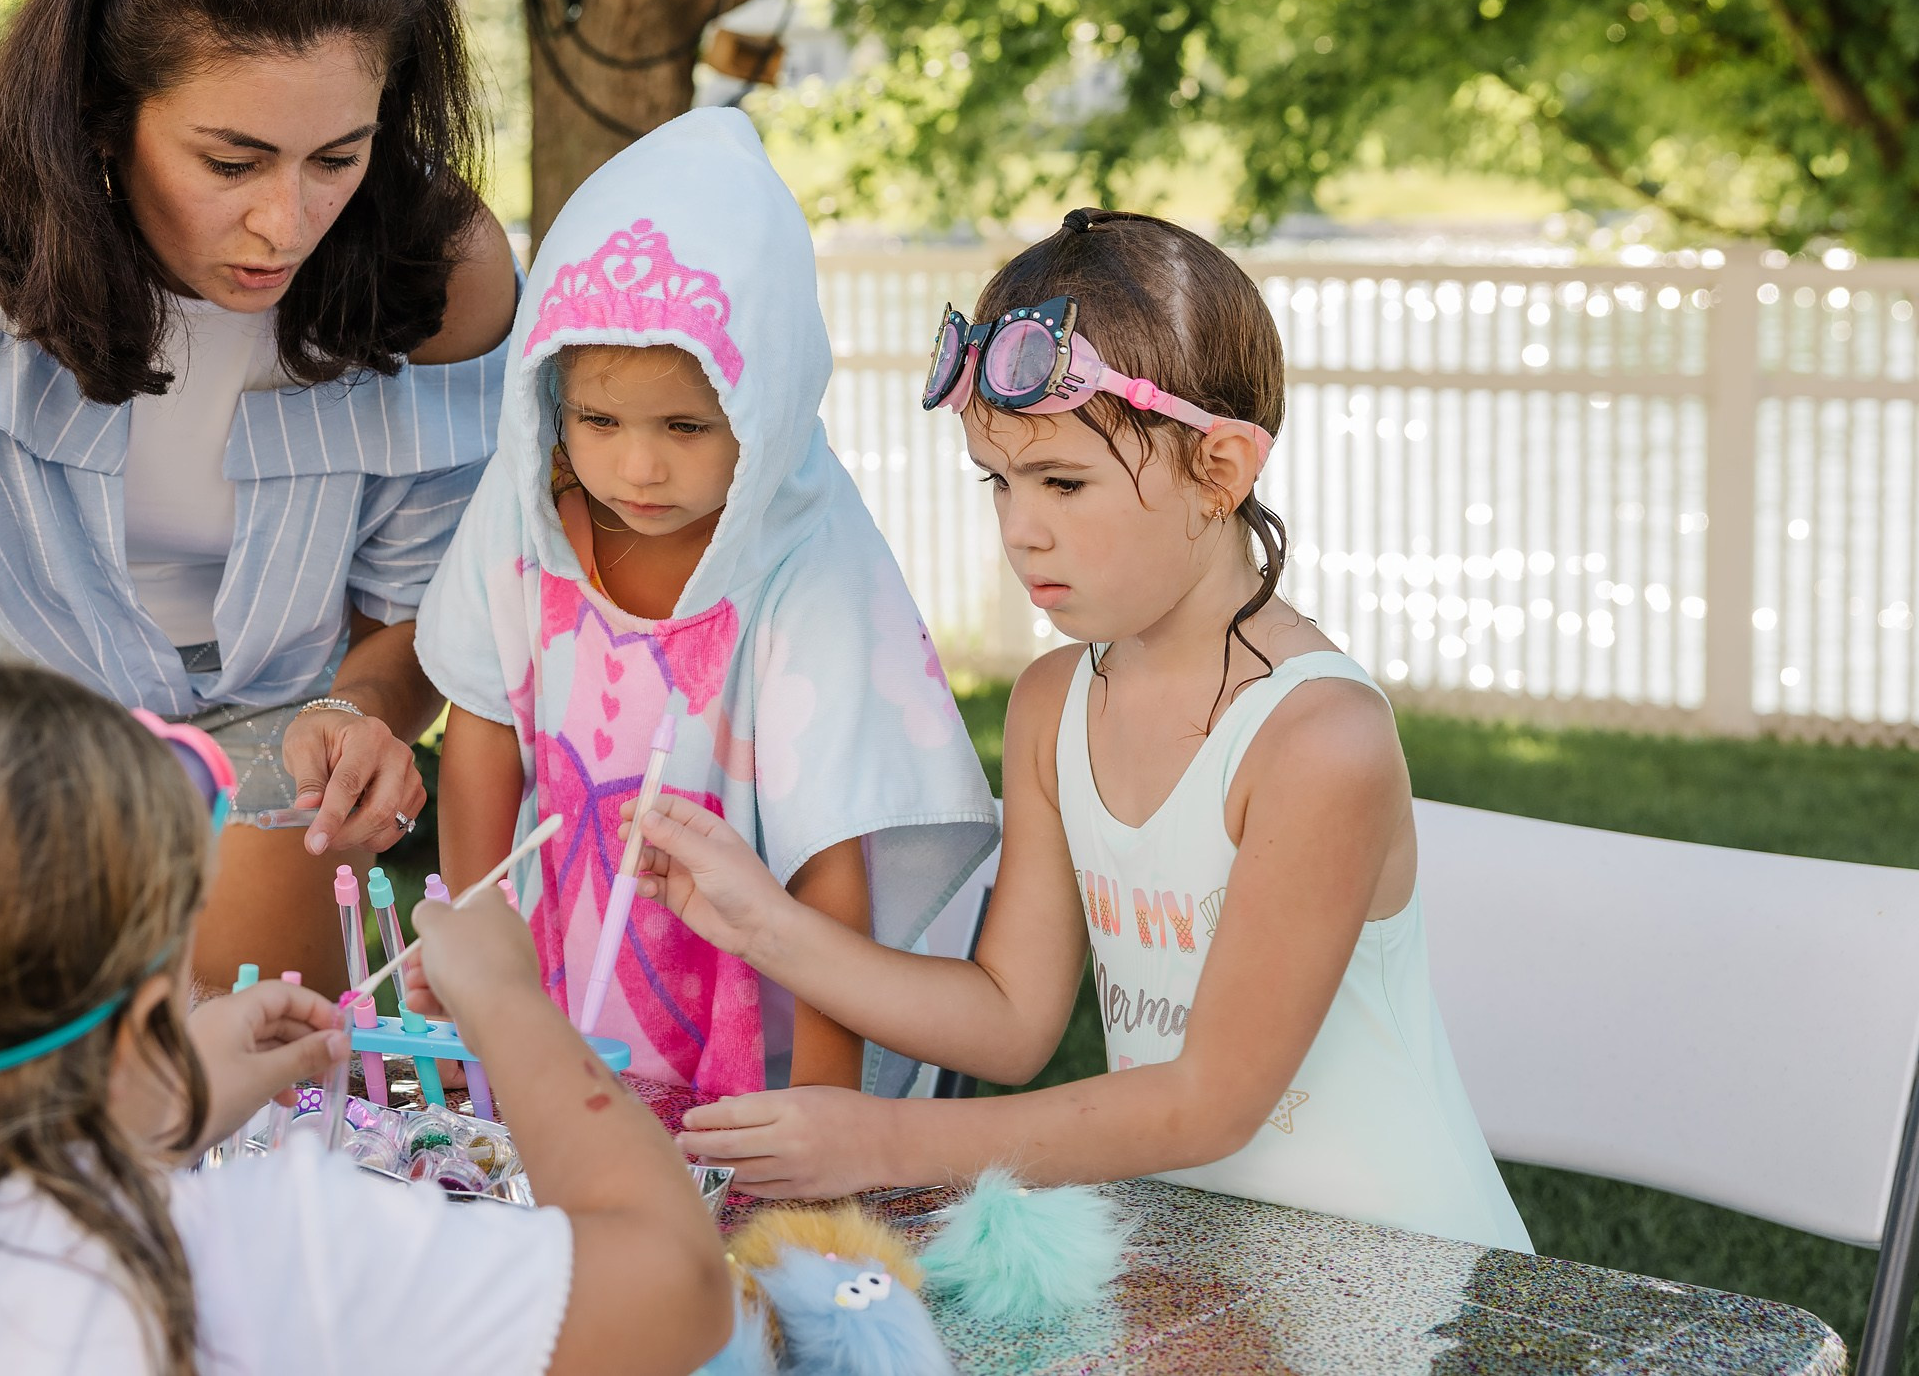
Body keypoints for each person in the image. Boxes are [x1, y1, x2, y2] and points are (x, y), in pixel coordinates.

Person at [630, 210, 1533, 1251]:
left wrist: (887, 1141)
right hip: (1206, 1257)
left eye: (1063, 482)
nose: (1022, 528)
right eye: (999, 482)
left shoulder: (1316, 738)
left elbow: (1209, 1103)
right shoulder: (1055, 701)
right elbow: (1010, 1020)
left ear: (1223, 470)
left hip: (1405, 1265)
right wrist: (760, 925)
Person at [0, 0, 517, 994]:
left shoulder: (442, 266)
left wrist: (356, 714)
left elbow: (410, 619)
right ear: (99, 115)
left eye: (338, 157)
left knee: (252, 1091)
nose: (287, 222)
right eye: (231, 160)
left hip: (289, 715)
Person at [0, 652, 730, 1376]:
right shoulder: (239, 1258)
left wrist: (149, 1110)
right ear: (136, 1006)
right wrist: (515, 1008)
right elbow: (676, 1290)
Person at [420, 110, 998, 1098]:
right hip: (572, 971)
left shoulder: (810, 561)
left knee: (738, 1206)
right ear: (548, 398)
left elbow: (833, 845)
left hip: (774, 1015)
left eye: (687, 424)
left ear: (763, 409)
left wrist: (824, 1115)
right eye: (597, 419)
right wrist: (478, 948)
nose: (636, 467)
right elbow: (481, 720)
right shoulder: (525, 508)